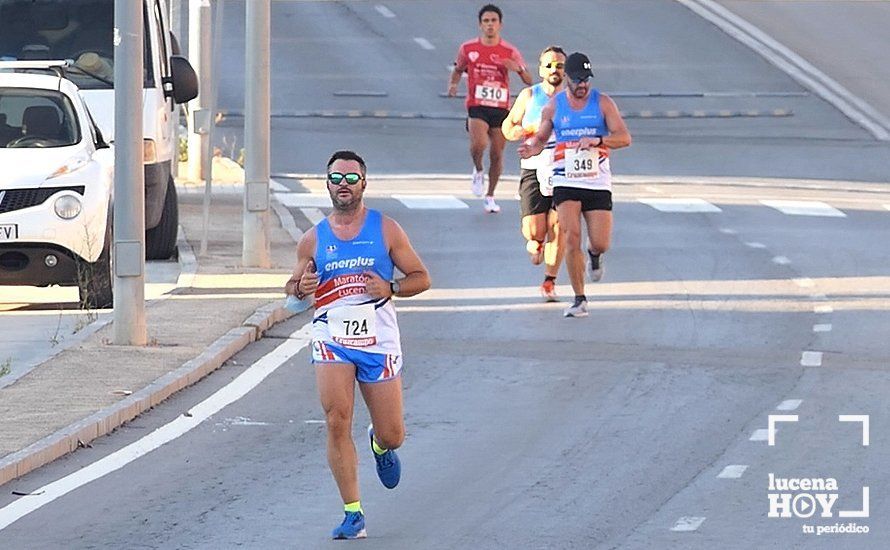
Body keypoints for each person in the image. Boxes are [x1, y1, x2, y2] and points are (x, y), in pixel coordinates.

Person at [284, 150, 431, 539]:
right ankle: (353, 513)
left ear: (364, 184)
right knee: (336, 418)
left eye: (351, 178)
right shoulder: (313, 238)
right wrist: (302, 287)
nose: (343, 185)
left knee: (393, 432)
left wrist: (392, 286)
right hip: (332, 337)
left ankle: (380, 446)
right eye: (336, 178)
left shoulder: (386, 229)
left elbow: (421, 277)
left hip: (378, 339)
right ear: (327, 183)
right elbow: (292, 291)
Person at [518, 52, 631, 318]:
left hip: (596, 180)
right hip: (565, 178)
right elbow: (541, 137)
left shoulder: (602, 103)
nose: (582, 85)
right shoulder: (555, 106)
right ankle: (579, 298)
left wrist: (598, 141)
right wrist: (531, 148)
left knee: (600, 242)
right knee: (570, 236)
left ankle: (595, 254)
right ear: (567, 78)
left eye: (586, 80)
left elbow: (624, 137)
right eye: (578, 79)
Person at [447, 3, 532, 213]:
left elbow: (529, 80)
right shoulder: (468, 49)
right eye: (486, 21)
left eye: (493, 21)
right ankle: (478, 170)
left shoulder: (510, 51)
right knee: (479, 144)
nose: (490, 25)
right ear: (480, 25)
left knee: (497, 153)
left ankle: (490, 195)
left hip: (501, 108)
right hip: (477, 105)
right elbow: (458, 69)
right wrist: (453, 84)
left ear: (500, 25)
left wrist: (518, 69)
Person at [502, 45, 567, 301]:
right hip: (534, 166)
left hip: (563, 169)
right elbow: (508, 126)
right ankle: (537, 240)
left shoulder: (571, 98)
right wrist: (519, 131)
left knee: (560, 225)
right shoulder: (529, 95)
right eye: (549, 65)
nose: (554, 70)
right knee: (533, 230)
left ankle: (550, 281)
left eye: (559, 66)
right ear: (540, 69)